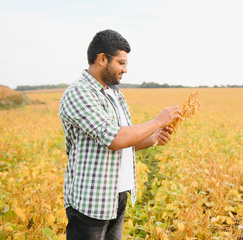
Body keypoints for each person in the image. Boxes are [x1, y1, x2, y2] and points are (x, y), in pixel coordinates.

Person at [59, 29, 182, 239]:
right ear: (101, 59)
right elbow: (115, 139)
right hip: (91, 200)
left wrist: (153, 139)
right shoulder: (78, 93)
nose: (125, 70)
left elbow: (126, 140)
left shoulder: (115, 94)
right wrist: (157, 121)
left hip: (117, 195)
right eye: (121, 63)